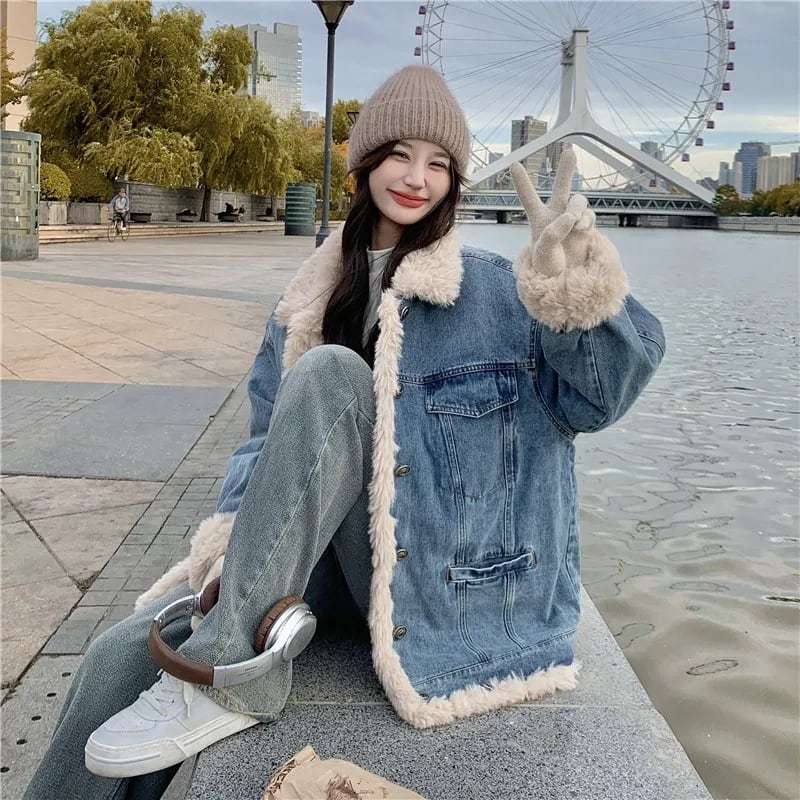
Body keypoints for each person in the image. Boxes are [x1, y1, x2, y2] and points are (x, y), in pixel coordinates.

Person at [23, 65, 665, 800]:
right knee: (116, 657)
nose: (417, 177)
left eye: (439, 163)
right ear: (364, 163)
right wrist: (228, 553)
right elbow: (262, 445)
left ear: (456, 181)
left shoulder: (498, 290)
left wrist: (574, 295)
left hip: (446, 574)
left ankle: (227, 673)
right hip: (333, 558)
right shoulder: (310, 298)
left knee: (331, 373)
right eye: (400, 154)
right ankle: (210, 671)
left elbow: (597, 402)